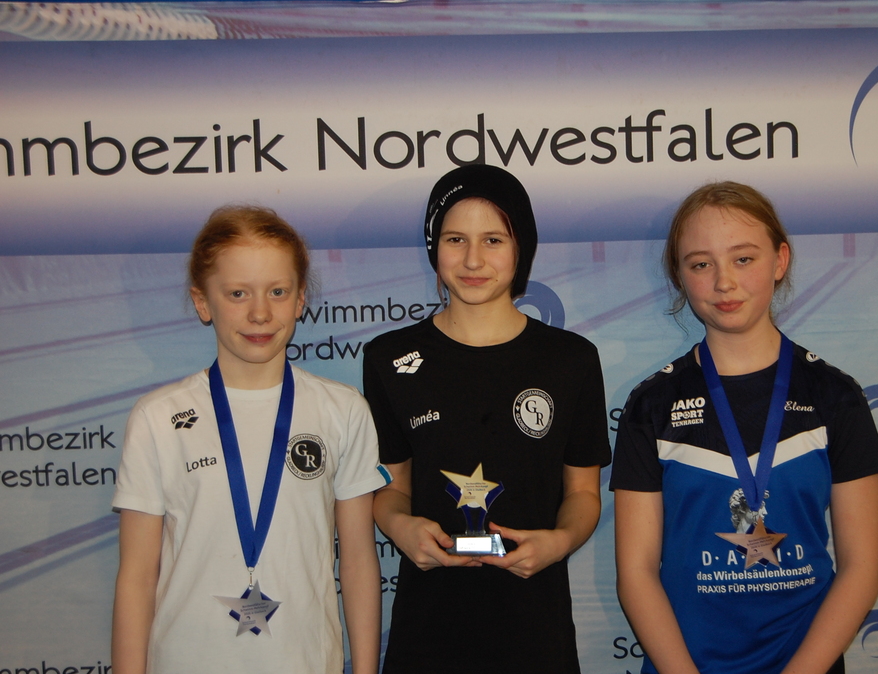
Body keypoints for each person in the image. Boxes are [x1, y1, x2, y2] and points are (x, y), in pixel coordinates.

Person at [611, 182, 878, 674]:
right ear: (680, 276)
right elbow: (636, 574)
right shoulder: (651, 406)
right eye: (701, 264)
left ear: (780, 261)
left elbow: (862, 569)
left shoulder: (836, 396)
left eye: (743, 259)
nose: (724, 282)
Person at [111, 205, 389, 674]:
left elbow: (359, 560)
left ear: (300, 300)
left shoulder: (342, 410)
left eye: (278, 292)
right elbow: (136, 578)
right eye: (237, 293)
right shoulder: (156, 418)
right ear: (203, 302)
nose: (260, 312)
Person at [363, 164, 611, 674]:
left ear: (521, 249)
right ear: (434, 247)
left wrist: (559, 542)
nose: (473, 259)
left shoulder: (572, 360)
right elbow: (391, 488)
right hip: (426, 631)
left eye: (493, 240)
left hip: (535, 630)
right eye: (455, 239)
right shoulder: (389, 358)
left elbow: (584, 494)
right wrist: (401, 527)